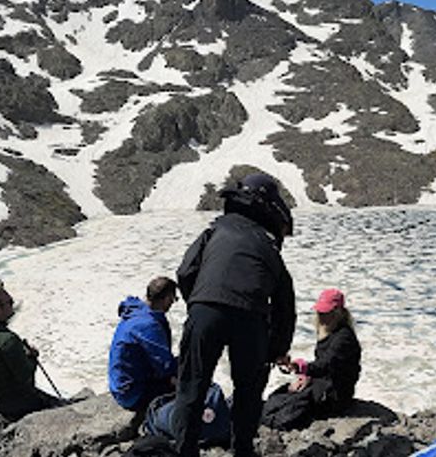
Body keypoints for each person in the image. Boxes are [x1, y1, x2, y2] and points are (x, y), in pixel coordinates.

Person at [171, 172, 296, 457]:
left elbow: (185, 271)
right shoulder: (269, 245)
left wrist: (199, 304)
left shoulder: (215, 231)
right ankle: (242, 450)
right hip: (250, 318)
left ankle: (184, 451)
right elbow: (285, 305)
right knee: (247, 392)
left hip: (206, 311)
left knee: (192, 386)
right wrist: (276, 349)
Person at [260, 288, 361, 431]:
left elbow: (325, 364)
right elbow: (322, 366)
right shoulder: (330, 331)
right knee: (279, 396)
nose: (321, 316)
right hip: (323, 384)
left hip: (335, 393)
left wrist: (300, 367)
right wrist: (306, 376)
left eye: (325, 313)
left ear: (338, 313)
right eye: (319, 312)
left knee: (286, 412)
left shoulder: (344, 338)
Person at [0, 279, 63, 421]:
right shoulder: (6, 340)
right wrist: (31, 358)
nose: (12, 303)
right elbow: (26, 378)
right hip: (11, 405)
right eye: (9, 302)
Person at [108, 276, 179, 413]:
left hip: (120, 386)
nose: (172, 303)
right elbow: (165, 365)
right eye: (173, 299)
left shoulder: (135, 313)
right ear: (167, 298)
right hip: (132, 394)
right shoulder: (148, 325)